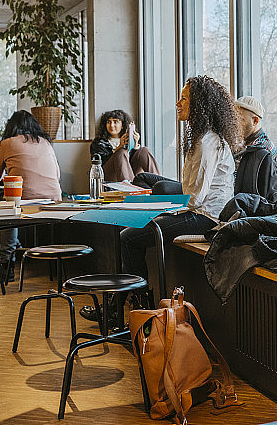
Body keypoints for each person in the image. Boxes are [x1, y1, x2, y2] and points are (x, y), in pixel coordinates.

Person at [80, 75, 242, 322]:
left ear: (198, 105)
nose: (178, 103)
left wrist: (159, 208)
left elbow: (195, 198)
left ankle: (138, 308)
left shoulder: (207, 142)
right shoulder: (202, 139)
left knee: (128, 237)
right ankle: (123, 308)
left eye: (184, 98)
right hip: (196, 212)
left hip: (205, 218)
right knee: (129, 228)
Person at [0, 110, 62, 280]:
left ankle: (7, 263)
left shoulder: (8, 143)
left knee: (2, 198)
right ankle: (15, 246)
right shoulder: (46, 143)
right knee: (9, 200)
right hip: (54, 202)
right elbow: (57, 175)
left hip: (24, 202)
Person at [91, 109, 160, 182]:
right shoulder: (98, 143)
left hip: (131, 173)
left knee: (144, 150)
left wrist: (135, 145)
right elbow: (99, 164)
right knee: (121, 152)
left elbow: (133, 161)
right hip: (109, 174)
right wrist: (119, 147)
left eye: (115, 122)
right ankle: (128, 188)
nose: (111, 125)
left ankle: (158, 183)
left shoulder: (127, 140)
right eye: (108, 122)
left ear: (122, 125)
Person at [235, 96, 277, 161]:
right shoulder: (244, 143)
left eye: (241, 119)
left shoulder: (263, 150)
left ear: (255, 121)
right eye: (235, 119)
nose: (236, 124)